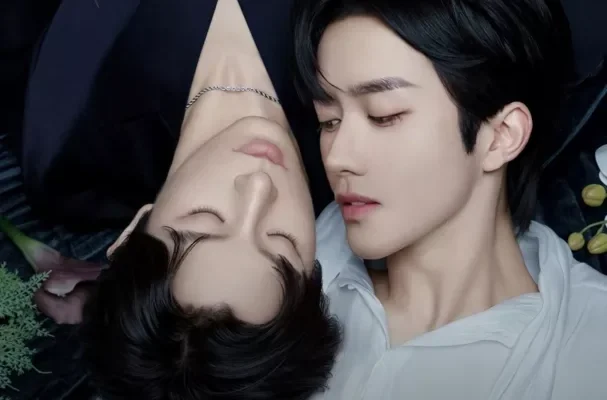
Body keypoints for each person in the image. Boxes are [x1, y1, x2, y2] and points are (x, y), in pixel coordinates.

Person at [22, 0, 341, 399]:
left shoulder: (70, 157)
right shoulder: (361, 130)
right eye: (283, 242)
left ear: (133, 231)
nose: (259, 186)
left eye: (204, 218)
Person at [293, 0, 607, 398]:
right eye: (328, 121)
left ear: (501, 135)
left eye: (382, 115)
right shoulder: (296, 270)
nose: (337, 157)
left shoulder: (590, 353)